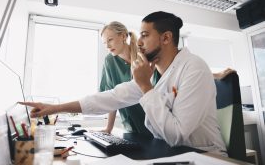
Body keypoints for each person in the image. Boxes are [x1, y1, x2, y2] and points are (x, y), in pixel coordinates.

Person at [20, 11, 226, 154]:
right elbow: (111, 97)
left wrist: (145, 86)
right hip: (174, 152)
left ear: (166, 38)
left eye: (145, 35)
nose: (139, 42)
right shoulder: (155, 73)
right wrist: (55, 108)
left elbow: (177, 135)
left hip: (204, 155)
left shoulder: (194, 67)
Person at [99, 21, 152, 136]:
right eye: (104, 43)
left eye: (110, 40)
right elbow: (111, 97)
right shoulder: (110, 61)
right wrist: (109, 128)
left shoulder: (143, 56)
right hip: (130, 125)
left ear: (123, 36)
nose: (107, 46)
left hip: (152, 121)